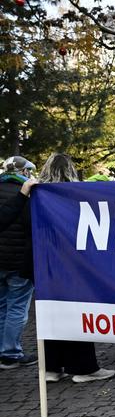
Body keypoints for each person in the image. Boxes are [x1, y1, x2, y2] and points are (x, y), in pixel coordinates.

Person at [37, 154, 115, 383]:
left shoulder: (38, 194)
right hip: (73, 264)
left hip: (46, 263)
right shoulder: (76, 196)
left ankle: (51, 367)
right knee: (77, 311)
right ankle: (83, 368)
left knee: (50, 313)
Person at [0, 156, 37, 369]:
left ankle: (4, 350)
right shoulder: (25, 195)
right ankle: (11, 353)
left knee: (3, 306)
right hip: (18, 261)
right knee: (16, 307)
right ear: (23, 173)